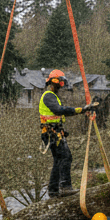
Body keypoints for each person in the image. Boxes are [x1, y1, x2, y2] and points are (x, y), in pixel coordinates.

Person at [39, 70, 100, 198]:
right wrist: (80, 109)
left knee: (58, 160)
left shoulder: (52, 96)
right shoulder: (48, 95)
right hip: (52, 132)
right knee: (66, 157)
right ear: (55, 81)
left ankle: (53, 190)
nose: (62, 85)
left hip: (53, 132)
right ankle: (65, 187)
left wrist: (83, 110)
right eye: (60, 81)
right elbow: (59, 110)